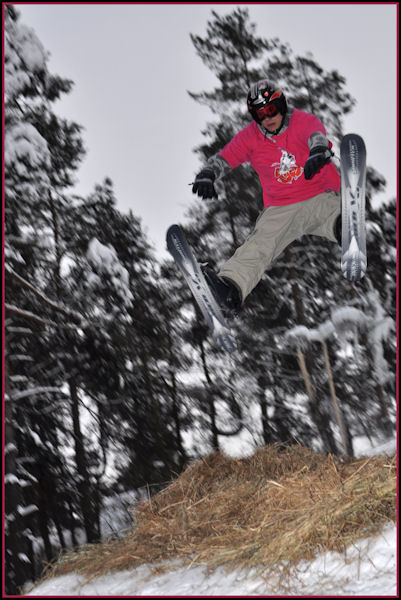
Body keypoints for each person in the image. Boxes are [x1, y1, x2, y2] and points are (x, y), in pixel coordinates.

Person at [192, 79, 342, 317]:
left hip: (317, 194)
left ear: (281, 104)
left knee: (329, 211)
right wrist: (208, 173)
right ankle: (230, 288)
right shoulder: (249, 137)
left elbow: (316, 135)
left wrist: (318, 151)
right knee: (259, 243)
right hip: (280, 208)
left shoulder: (302, 121)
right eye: (259, 114)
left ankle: (346, 228)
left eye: (271, 110)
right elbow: (225, 157)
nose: (267, 118)